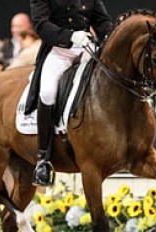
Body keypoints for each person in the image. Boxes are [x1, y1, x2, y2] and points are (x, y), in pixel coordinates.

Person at [28, 0, 113, 186]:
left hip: (87, 50)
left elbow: (101, 21)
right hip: (59, 51)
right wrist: (70, 36)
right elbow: (41, 25)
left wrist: (111, 35)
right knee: (48, 92)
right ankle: (43, 159)